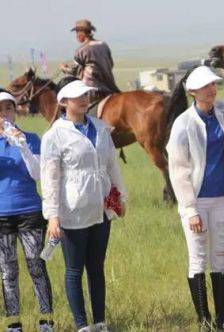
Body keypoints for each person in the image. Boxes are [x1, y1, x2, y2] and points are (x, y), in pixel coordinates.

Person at [40, 79, 126, 332]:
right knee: (74, 269)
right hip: (72, 210)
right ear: (64, 102)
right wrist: (53, 216)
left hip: (101, 210)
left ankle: (99, 322)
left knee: (96, 268)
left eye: (86, 95)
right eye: (78, 96)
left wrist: (119, 197)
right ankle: (81, 325)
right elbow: (50, 177)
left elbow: (111, 165)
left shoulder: (101, 128)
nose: (84, 99)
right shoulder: (54, 135)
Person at [166, 66, 224, 331]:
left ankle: (222, 318)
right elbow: (178, 170)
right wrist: (190, 209)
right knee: (198, 258)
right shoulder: (183, 124)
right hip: (196, 201)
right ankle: (204, 319)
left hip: (222, 198)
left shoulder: (223, 112)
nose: (212, 89)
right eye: (206, 86)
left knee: (221, 256)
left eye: (213, 84)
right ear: (193, 92)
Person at [0, 91, 54, 332]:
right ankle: (13, 324)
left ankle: (46, 321)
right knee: (8, 271)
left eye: (8, 109)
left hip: (30, 211)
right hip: (1, 215)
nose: (4, 114)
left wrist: (21, 146)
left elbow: (39, 175)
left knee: (36, 266)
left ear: (15, 111)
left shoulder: (31, 138)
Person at [60, 19, 120, 104]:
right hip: (109, 86)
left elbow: (75, 70)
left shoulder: (81, 50)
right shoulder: (103, 44)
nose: (76, 35)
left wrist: (64, 68)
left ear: (82, 32)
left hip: (91, 88)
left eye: (77, 32)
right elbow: (111, 64)